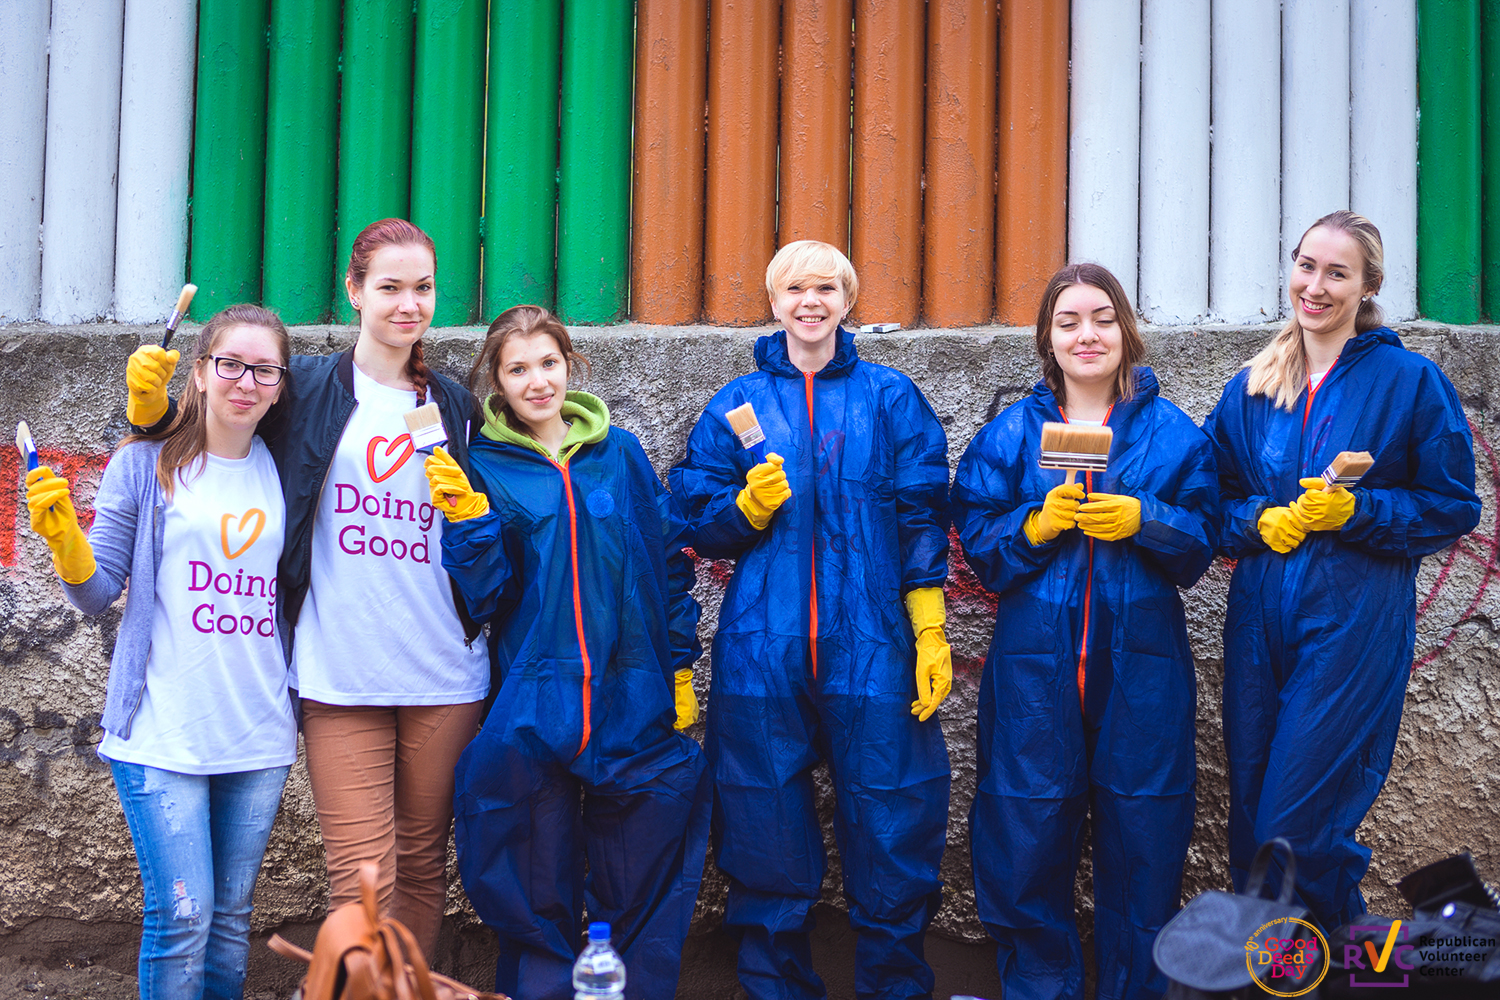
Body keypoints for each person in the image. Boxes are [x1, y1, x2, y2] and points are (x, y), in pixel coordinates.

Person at [124, 219, 487, 959]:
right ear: (355, 291)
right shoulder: (308, 387)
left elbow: (489, 525)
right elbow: (217, 425)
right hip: (336, 670)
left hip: (445, 673)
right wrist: (148, 410)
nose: (408, 304)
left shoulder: (454, 403)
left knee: (422, 870)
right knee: (360, 884)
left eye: (422, 288)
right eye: (389, 287)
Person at [670, 240, 953, 1000]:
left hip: (876, 644)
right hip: (762, 647)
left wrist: (929, 627)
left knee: (893, 818)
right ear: (773, 301)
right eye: (795, 287)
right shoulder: (737, 405)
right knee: (763, 822)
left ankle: (894, 985)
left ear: (847, 299)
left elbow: (923, 516)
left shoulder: (891, 398)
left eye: (826, 286)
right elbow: (695, 516)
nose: (811, 301)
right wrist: (743, 508)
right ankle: (774, 986)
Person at [1204, 211, 1481, 928]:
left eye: (1336, 273)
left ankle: (1334, 971)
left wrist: (1357, 515)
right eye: (1306, 266)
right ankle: (1289, 970)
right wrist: (1256, 522)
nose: (1315, 286)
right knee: (1253, 818)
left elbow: (1451, 508)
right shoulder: (1252, 388)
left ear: (1367, 287)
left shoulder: (1410, 381)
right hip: (1259, 622)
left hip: (1353, 624)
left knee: (1296, 828)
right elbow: (1211, 504)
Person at [950, 262, 1219, 1000]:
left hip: (1144, 670)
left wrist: (1148, 519)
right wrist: (1033, 525)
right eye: (1068, 322)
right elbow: (977, 535)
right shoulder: (1012, 433)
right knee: (1026, 838)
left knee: (1145, 841)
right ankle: (1043, 989)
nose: (1087, 334)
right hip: (1035, 671)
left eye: (1101, 318)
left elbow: (1204, 541)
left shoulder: (1173, 436)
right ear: (1047, 339)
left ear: (1126, 329)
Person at [425, 304, 710, 1000]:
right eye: (518, 368)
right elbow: (486, 598)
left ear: (571, 365)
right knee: (531, 883)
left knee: (641, 875)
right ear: (495, 380)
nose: (537, 381)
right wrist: (467, 528)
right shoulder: (485, 466)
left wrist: (677, 667)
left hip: (631, 694)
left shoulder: (622, 455)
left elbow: (666, 562)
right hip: (535, 701)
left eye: (548, 363)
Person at [28, 306, 295, 999]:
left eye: (265, 369)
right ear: (198, 373)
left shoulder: (288, 468)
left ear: (279, 386)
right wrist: (64, 540)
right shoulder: (142, 464)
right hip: (161, 732)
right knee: (183, 914)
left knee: (231, 920)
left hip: (259, 733)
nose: (247, 381)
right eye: (230, 363)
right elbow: (94, 594)